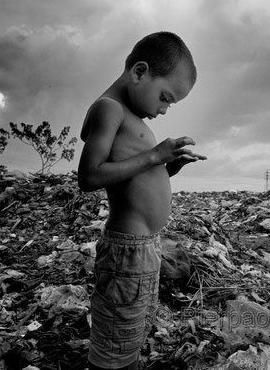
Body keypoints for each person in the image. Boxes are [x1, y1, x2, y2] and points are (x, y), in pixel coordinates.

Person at [78, 31, 206, 370]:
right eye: (165, 98)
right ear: (139, 72)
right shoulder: (109, 109)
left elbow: (136, 177)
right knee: (113, 344)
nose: (164, 110)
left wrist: (169, 166)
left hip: (146, 248)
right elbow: (89, 176)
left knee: (131, 331)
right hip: (125, 253)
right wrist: (154, 156)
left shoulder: (132, 117)